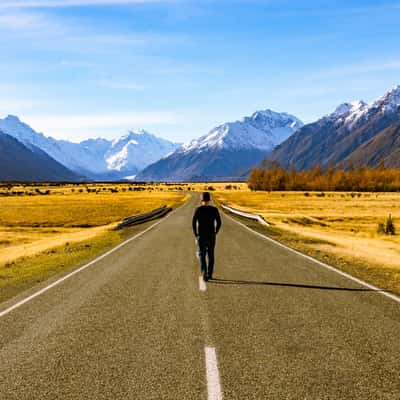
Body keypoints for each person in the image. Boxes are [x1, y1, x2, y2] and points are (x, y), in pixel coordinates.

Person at [192, 192, 222, 281]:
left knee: (202, 255)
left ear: (201, 200)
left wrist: (196, 234)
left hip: (201, 235)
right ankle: (210, 274)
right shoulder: (214, 210)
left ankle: (204, 272)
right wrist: (216, 231)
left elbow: (193, 223)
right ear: (209, 200)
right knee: (211, 254)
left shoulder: (198, 210)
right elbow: (219, 222)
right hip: (211, 235)